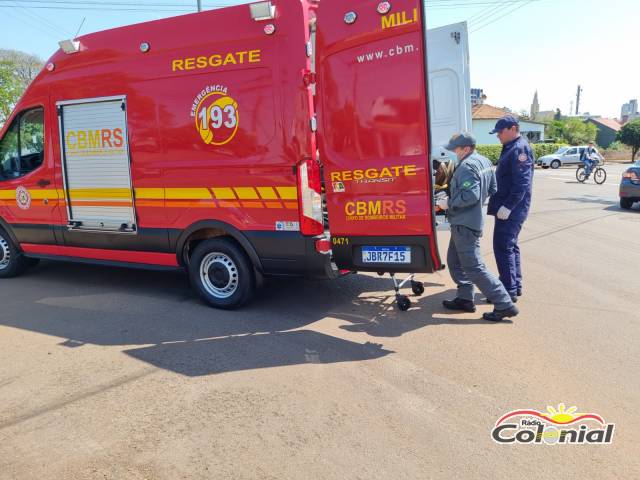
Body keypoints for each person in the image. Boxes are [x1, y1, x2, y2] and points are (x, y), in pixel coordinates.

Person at [437, 132, 519, 321]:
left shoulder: (466, 166)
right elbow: (492, 189)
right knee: (455, 261)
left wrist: (448, 203)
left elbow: (471, 195)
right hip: (467, 220)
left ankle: (504, 303)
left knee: (474, 267)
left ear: (466, 148)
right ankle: (465, 299)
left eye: (456, 150)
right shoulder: (484, 161)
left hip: (465, 224)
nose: (454, 153)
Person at [487, 116, 534, 301]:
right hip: (509, 207)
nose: (498, 135)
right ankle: (514, 285)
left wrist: (508, 206)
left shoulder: (519, 148)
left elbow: (522, 183)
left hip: (512, 209)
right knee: (510, 246)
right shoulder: (511, 146)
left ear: (513, 128)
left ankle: (507, 291)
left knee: (503, 247)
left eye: (500, 132)